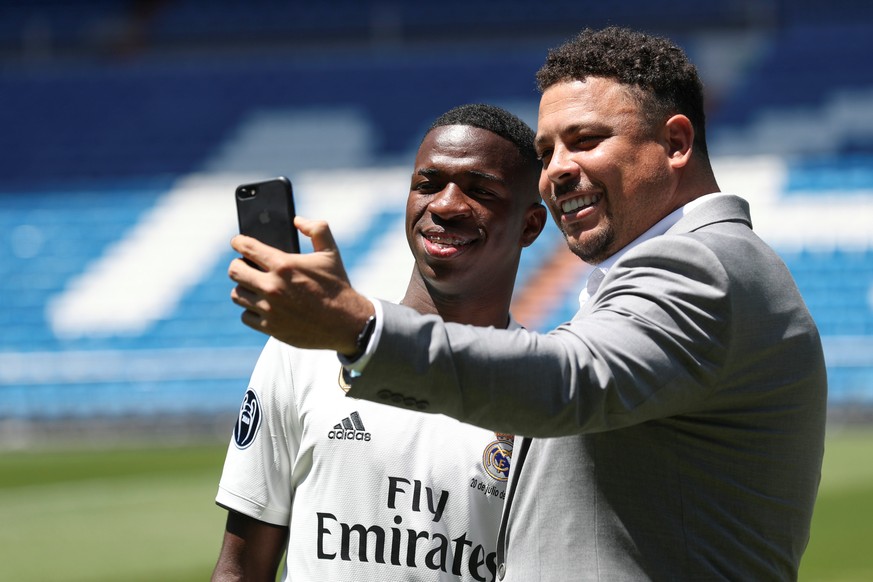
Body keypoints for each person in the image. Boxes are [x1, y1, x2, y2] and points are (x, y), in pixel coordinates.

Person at [228, 27, 828, 581]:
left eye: (586, 140)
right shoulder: (686, 270)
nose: (558, 170)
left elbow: (571, 379)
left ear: (674, 143)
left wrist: (360, 328)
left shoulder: (701, 265)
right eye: (548, 151)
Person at [213, 103, 547, 581]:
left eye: (481, 191)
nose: (446, 205)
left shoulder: (542, 390)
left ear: (531, 225)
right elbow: (239, 570)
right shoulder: (305, 349)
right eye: (428, 184)